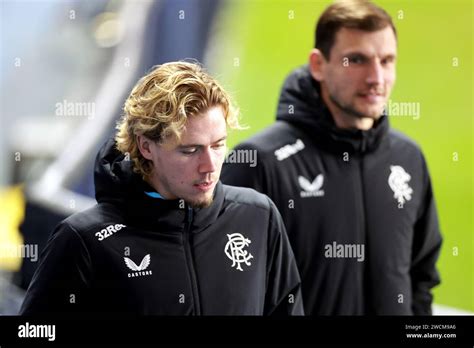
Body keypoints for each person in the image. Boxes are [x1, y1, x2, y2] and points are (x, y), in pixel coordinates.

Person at [20, 61, 303, 315]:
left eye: (218, 145)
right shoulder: (84, 240)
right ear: (146, 146)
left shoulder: (258, 216)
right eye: (190, 150)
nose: (209, 165)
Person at [221, 0, 442, 315]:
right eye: (358, 60)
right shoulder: (259, 164)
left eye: (387, 60)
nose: (376, 78)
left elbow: (422, 276)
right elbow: (228, 290)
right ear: (318, 65)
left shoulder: (408, 158)